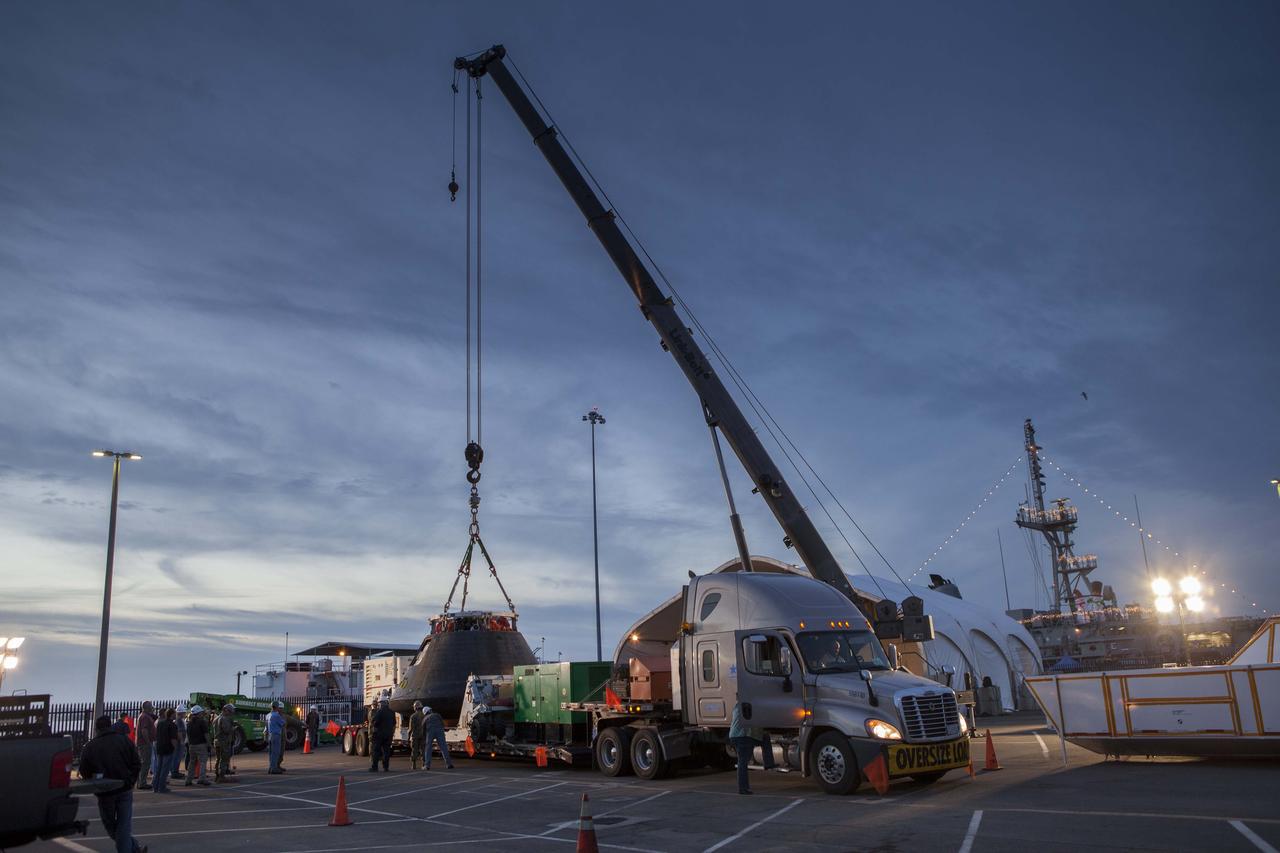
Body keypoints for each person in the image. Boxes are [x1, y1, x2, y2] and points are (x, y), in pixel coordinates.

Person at [79, 715, 146, 853]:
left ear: (96, 728)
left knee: (110, 824)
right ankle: (133, 847)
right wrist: (130, 780)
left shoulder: (91, 746)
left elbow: (84, 770)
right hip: (124, 788)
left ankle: (130, 849)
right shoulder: (124, 741)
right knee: (123, 824)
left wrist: (95, 782)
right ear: (110, 725)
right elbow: (136, 763)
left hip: (105, 791)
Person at [729, 698, 774, 795]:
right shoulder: (749, 705)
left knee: (742, 761)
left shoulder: (738, 705)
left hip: (735, 735)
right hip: (743, 736)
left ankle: (769, 763)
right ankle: (743, 788)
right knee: (743, 762)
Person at [184, 705, 212, 786]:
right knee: (202, 762)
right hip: (201, 745)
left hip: (192, 745)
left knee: (192, 762)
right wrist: (209, 744)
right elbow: (206, 734)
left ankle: (189, 779)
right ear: (198, 713)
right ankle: (202, 778)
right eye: (201, 712)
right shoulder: (202, 722)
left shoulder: (189, 723)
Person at [152, 708, 179, 793]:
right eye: (175, 713)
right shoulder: (172, 725)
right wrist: (175, 748)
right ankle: (162, 787)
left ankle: (155, 787)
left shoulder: (160, 723)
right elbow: (173, 739)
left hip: (159, 747)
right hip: (168, 748)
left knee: (159, 768)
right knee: (165, 769)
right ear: (172, 715)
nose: (176, 715)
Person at [421, 705, 453, 770]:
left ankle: (427, 766)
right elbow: (442, 724)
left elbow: (423, 729)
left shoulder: (425, 718)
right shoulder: (437, 715)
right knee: (443, 747)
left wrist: (424, 738)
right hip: (439, 731)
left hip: (430, 732)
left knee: (428, 749)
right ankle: (449, 764)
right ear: (430, 711)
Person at [369, 698, 395, 772]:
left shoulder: (379, 711)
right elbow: (394, 723)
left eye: (380, 703)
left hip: (379, 734)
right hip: (388, 734)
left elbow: (375, 722)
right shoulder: (391, 712)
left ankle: (375, 767)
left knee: (376, 751)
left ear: (382, 704)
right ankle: (386, 767)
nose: (379, 704)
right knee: (386, 751)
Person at [134, 702, 156, 790]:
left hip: (142, 743)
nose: (152, 709)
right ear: (147, 708)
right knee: (145, 763)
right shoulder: (145, 717)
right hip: (144, 743)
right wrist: (148, 742)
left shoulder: (143, 716)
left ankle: (140, 782)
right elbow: (144, 730)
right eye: (151, 707)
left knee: (143, 762)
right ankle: (142, 783)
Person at [214, 704, 236, 782]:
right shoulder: (224, 718)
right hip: (223, 741)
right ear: (226, 710)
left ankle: (217, 775)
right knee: (224, 759)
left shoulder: (216, 718)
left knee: (218, 759)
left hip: (217, 741)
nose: (231, 714)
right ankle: (221, 776)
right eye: (230, 711)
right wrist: (233, 728)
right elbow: (226, 730)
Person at [266, 701, 286, 774]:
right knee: (276, 752)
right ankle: (274, 769)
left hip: (270, 735)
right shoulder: (276, 715)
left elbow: (266, 727)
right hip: (276, 735)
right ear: (277, 707)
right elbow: (283, 723)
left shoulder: (268, 715)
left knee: (271, 753)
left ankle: (271, 767)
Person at [171, 705, 188, 781]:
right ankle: (174, 772)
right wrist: (181, 741)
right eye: (184, 712)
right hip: (179, 742)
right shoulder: (179, 721)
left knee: (177, 757)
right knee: (177, 757)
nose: (185, 713)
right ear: (181, 713)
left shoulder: (179, 720)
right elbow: (179, 732)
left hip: (179, 742)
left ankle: (175, 771)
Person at [408, 701, 426, 770]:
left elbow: (411, 728)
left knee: (414, 750)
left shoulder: (413, 716)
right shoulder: (425, 715)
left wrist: (408, 737)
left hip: (415, 736)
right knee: (423, 750)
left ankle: (413, 765)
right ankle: (424, 764)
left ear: (415, 708)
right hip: (423, 735)